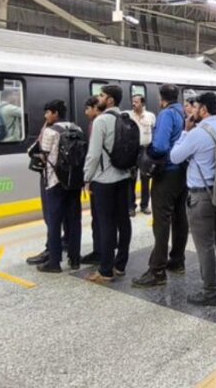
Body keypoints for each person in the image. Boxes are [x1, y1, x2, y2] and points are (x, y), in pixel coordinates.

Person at [170, 92, 216, 306]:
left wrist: (185, 131)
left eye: (196, 107)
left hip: (201, 195)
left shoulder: (197, 133)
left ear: (203, 110)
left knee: (205, 245)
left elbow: (175, 157)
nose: (193, 111)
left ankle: (210, 292)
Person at [132, 84, 189, 288]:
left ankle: (157, 271)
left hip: (167, 173)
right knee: (180, 216)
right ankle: (177, 260)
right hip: (183, 172)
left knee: (162, 220)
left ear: (161, 98)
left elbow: (161, 146)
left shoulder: (166, 114)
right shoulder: (184, 112)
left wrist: (149, 154)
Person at [83, 84, 133, 284]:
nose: (99, 97)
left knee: (106, 224)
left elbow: (94, 154)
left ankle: (105, 270)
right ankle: (120, 265)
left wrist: (87, 177)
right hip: (123, 177)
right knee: (123, 221)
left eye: (102, 95)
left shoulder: (101, 121)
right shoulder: (127, 118)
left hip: (104, 180)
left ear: (110, 100)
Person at [31, 100, 83, 273]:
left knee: (54, 222)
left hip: (54, 182)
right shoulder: (77, 128)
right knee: (74, 221)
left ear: (55, 113)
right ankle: (75, 259)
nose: (45, 116)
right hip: (74, 182)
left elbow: (42, 156)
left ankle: (54, 262)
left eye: (47, 113)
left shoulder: (50, 132)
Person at [79, 96, 103, 266]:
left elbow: (93, 154)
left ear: (95, 108)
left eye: (88, 108)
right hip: (110, 176)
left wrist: (87, 178)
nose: (86, 112)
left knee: (98, 217)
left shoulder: (96, 124)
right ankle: (102, 249)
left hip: (98, 177)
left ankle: (99, 251)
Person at [125, 94, 156, 215]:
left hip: (145, 150)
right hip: (132, 150)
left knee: (145, 178)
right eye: (133, 102)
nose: (134, 104)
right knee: (131, 179)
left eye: (136, 102)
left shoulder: (150, 116)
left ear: (143, 103)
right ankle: (131, 206)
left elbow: (154, 130)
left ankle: (144, 205)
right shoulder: (128, 115)